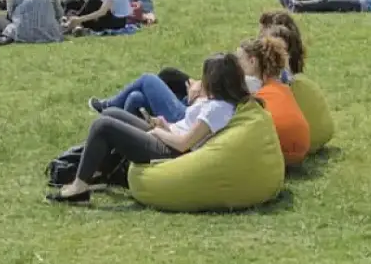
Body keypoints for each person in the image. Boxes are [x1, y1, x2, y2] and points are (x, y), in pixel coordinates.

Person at [47, 52, 253, 204]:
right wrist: (167, 125)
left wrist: (159, 132)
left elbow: (184, 145)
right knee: (111, 114)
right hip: (169, 136)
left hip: (169, 151)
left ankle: (79, 187)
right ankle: (94, 172)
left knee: (103, 125)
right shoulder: (219, 103)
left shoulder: (217, 109)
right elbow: (187, 132)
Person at [238, 35, 310, 165]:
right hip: (301, 149)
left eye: (240, 60)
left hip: (279, 151)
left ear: (252, 62)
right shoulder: (283, 88)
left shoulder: (253, 88)